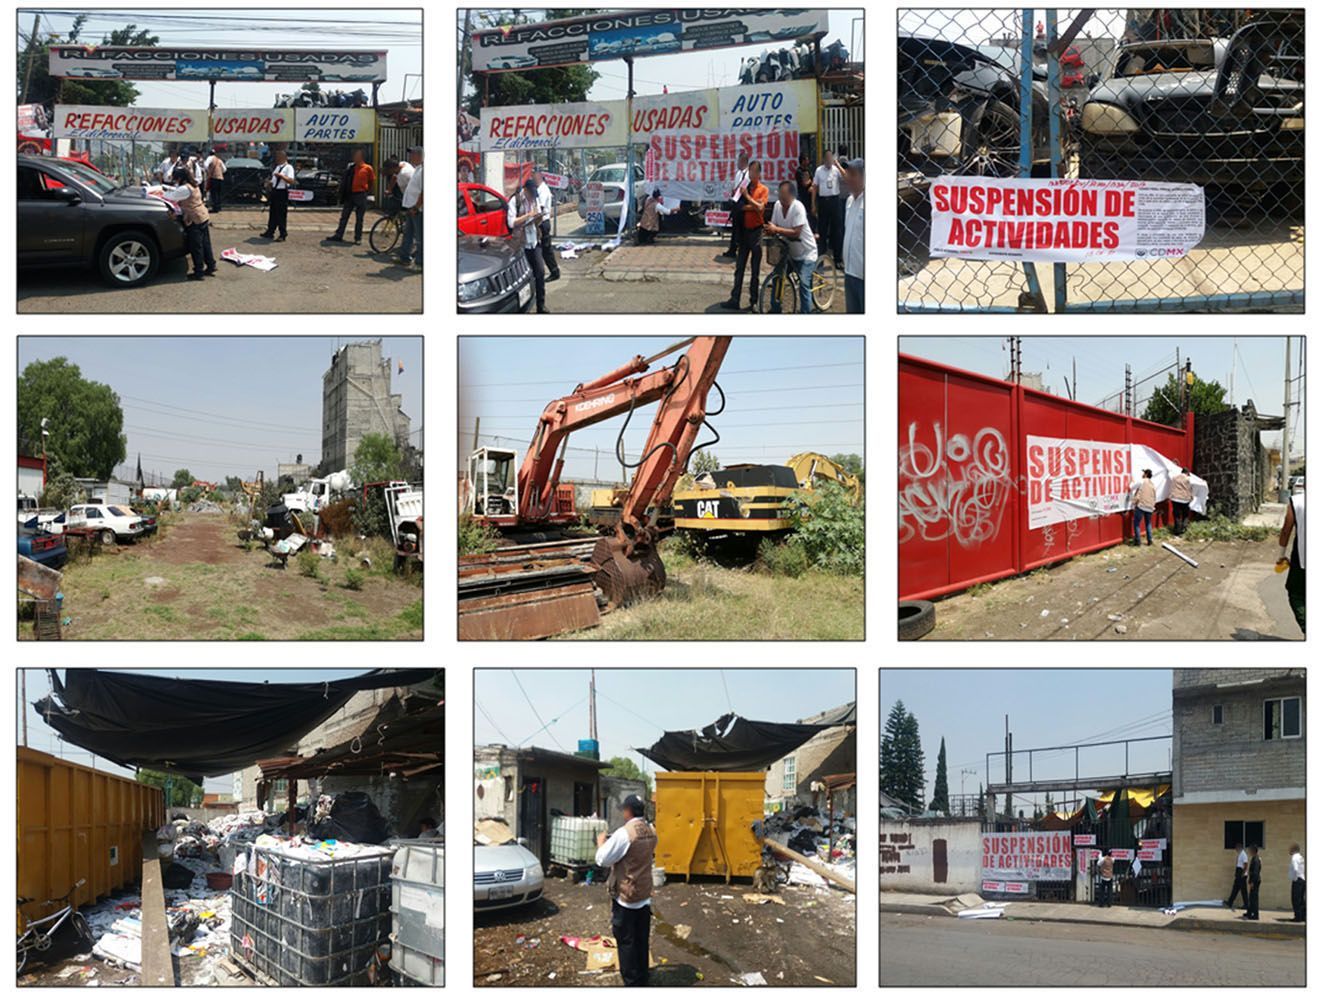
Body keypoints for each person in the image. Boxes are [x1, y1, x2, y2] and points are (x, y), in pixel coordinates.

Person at [594, 795, 657, 987]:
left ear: (629, 810)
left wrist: (601, 843)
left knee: (626, 941)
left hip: (626, 899)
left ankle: (632, 983)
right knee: (641, 940)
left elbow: (602, 859)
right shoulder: (651, 830)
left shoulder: (624, 833)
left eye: (624, 810)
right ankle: (643, 978)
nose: (623, 813)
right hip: (644, 896)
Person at [720, 159, 768, 311]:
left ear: (759, 173)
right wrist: (748, 205)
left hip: (756, 231)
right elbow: (738, 207)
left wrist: (747, 198)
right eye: (750, 171)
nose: (752, 174)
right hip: (743, 231)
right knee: (740, 267)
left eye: (754, 171)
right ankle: (735, 298)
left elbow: (760, 208)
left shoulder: (762, 189)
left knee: (755, 269)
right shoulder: (743, 187)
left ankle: (753, 300)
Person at [765, 180, 817, 313]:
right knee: (778, 277)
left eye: (784, 195)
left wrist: (776, 229)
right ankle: (775, 309)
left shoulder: (798, 207)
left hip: (806, 253)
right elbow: (774, 225)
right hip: (789, 251)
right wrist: (770, 229)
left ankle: (806, 315)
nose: (781, 198)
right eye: (779, 195)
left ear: (791, 196)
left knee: (804, 285)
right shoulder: (777, 206)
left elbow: (796, 232)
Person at [160, 166, 215, 280]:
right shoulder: (193, 184)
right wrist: (166, 187)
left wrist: (160, 192)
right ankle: (211, 266)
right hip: (202, 216)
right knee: (205, 244)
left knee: (196, 246)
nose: (175, 180)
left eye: (175, 178)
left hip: (194, 218)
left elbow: (171, 196)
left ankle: (198, 272)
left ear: (180, 178)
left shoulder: (184, 189)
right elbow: (175, 191)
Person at [507, 178, 548, 313]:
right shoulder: (515, 201)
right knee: (524, 278)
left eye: (534, 194)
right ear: (525, 191)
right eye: (530, 194)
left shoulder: (534, 199)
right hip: (521, 244)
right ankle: (524, 307)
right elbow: (511, 223)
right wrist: (528, 215)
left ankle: (541, 306)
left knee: (540, 273)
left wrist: (538, 217)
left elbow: (536, 221)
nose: (532, 197)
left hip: (534, 241)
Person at [329, 147, 376, 244]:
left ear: (361, 157)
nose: (355, 157)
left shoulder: (367, 168)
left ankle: (357, 238)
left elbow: (371, 181)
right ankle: (339, 234)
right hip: (350, 194)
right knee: (344, 216)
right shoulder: (351, 168)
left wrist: (367, 191)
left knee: (359, 218)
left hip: (361, 194)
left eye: (357, 155)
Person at [1277, 487, 1305, 635]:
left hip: (1302, 558)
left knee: (1296, 593)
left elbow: (1286, 530)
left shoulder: (1298, 501)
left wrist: (1281, 555)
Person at [812, 148, 844, 267]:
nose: (830, 160)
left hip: (835, 201)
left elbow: (846, 177)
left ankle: (837, 259)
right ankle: (821, 259)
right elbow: (815, 187)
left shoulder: (836, 170)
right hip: (823, 202)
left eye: (831, 157)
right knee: (822, 231)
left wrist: (838, 165)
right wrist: (813, 204)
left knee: (837, 231)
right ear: (824, 159)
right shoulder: (819, 171)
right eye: (828, 158)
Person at [842, 157, 865, 314]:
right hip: (849, 273)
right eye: (847, 174)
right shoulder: (849, 201)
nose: (848, 178)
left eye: (853, 174)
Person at [720, 151, 751, 260]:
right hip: (736, 203)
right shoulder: (739, 173)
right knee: (735, 228)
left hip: (742, 204)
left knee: (741, 230)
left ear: (743, 161)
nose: (737, 163)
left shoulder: (748, 175)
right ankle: (732, 249)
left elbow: (743, 190)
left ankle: (740, 250)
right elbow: (735, 188)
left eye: (739, 161)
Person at [260, 148, 296, 241]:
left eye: (279, 157)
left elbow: (291, 181)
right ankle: (270, 231)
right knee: (273, 213)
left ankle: (283, 233)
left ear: (284, 157)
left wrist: (281, 176)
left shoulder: (288, 167)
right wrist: (268, 183)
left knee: (281, 214)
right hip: (275, 191)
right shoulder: (277, 167)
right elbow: (273, 181)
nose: (277, 159)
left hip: (282, 192)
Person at [397, 148, 424, 269]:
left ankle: (420, 263)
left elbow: (424, 192)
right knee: (408, 234)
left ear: (420, 156)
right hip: (411, 207)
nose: (410, 157)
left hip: (417, 209)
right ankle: (404, 257)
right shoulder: (418, 169)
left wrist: (417, 207)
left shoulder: (424, 171)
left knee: (420, 238)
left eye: (413, 154)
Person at [533, 167, 561, 282]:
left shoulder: (543, 190)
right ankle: (546, 271)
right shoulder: (538, 189)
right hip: (540, 222)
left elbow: (541, 209)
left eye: (533, 176)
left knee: (546, 250)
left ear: (539, 176)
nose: (532, 179)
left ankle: (554, 272)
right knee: (541, 249)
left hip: (542, 222)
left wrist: (536, 224)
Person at [1131, 469, 1156, 546]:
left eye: (1143, 472)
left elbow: (1132, 487)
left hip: (1141, 505)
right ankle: (1150, 540)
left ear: (1146, 474)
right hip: (1150, 506)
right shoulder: (1153, 484)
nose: (1142, 474)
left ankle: (1138, 541)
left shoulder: (1142, 481)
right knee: (1148, 523)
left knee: (1136, 523)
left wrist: (1132, 481)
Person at [1227, 840, 1250, 911]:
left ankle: (1246, 905)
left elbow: (1246, 865)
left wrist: (1242, 874)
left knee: (1243, 891)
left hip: (1242, 874)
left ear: (1239, 847)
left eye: (1236, 848)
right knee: (1235, 888)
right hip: (1239, 872)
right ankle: (1230, 902)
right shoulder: (1240, 854)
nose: (1236, 849)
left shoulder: (1243, 854)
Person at [1170, 467, 1194, 535]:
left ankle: (1177, 530)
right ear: (1187, 473)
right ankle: (1184, 528)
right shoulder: (1188, 479)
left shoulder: (1174, 478)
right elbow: (1191, 488)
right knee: (1185, 514)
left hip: (1175, 498)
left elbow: (1172, 486)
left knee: (1177, 515)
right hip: (1185, 499)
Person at [1244, 845, 1262, 921]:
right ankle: (1250, 912)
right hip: (1253, 881)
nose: (1249, 852)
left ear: (1253, 851)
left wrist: (1252, 882)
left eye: (1250, 850)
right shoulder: (1254, 858)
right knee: (1251, 897)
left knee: (1254, 898)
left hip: (1255, 881)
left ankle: (1255, 915)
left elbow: (1255, 872)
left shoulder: (1256, 860)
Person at [1289, 843, 1305, 922]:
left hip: (1297, 880)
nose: (1289, 850)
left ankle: (1297, 917)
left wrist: (1295, 879)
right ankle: (1302, 916)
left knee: (1295, 899)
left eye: (1290, 849)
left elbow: (1295, 869)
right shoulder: (1301, 857)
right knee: (1301, 899)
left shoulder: (1294, 858)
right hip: (1302, 879)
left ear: (1294, 850)